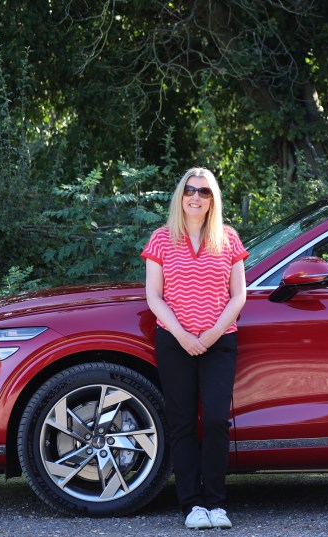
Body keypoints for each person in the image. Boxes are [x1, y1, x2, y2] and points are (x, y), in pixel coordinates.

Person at [141, 167, 248, 530]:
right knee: (183, 422)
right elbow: (154, 296)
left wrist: (214, 332)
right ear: (180, 196)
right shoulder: (161, 239)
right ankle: (192, 506)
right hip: (175, 341)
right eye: (190, 190)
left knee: (217, 420)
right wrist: (184, 335)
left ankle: (216, 503)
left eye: (204, 191)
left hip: (220, 341)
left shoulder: (229, 239)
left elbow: (239, 295)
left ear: (212, 199)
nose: (196, 197)